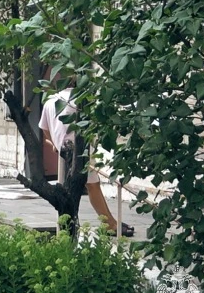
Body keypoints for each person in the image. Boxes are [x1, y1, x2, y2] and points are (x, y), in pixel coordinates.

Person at [38, 88, 134, 237]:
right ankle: (109, 224)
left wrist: (55, 144)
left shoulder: (50, 101)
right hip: (80, 150)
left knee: (76, 185)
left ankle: (101, 222)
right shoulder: (79, 100)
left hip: (64, 148)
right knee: (92, 185)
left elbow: (44, 128)